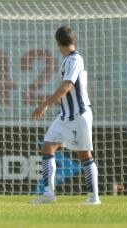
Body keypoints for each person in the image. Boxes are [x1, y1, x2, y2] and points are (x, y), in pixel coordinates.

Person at [31, 26, 100, 205]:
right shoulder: (67, 59)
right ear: (72, 39)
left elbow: (66, 86)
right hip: (65, 116)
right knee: (48, 147)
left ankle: (94, 198)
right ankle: (48, 193)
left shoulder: (74, 59)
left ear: (57, 42)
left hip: (79, 115)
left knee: (84, 154)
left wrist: (44, 105)